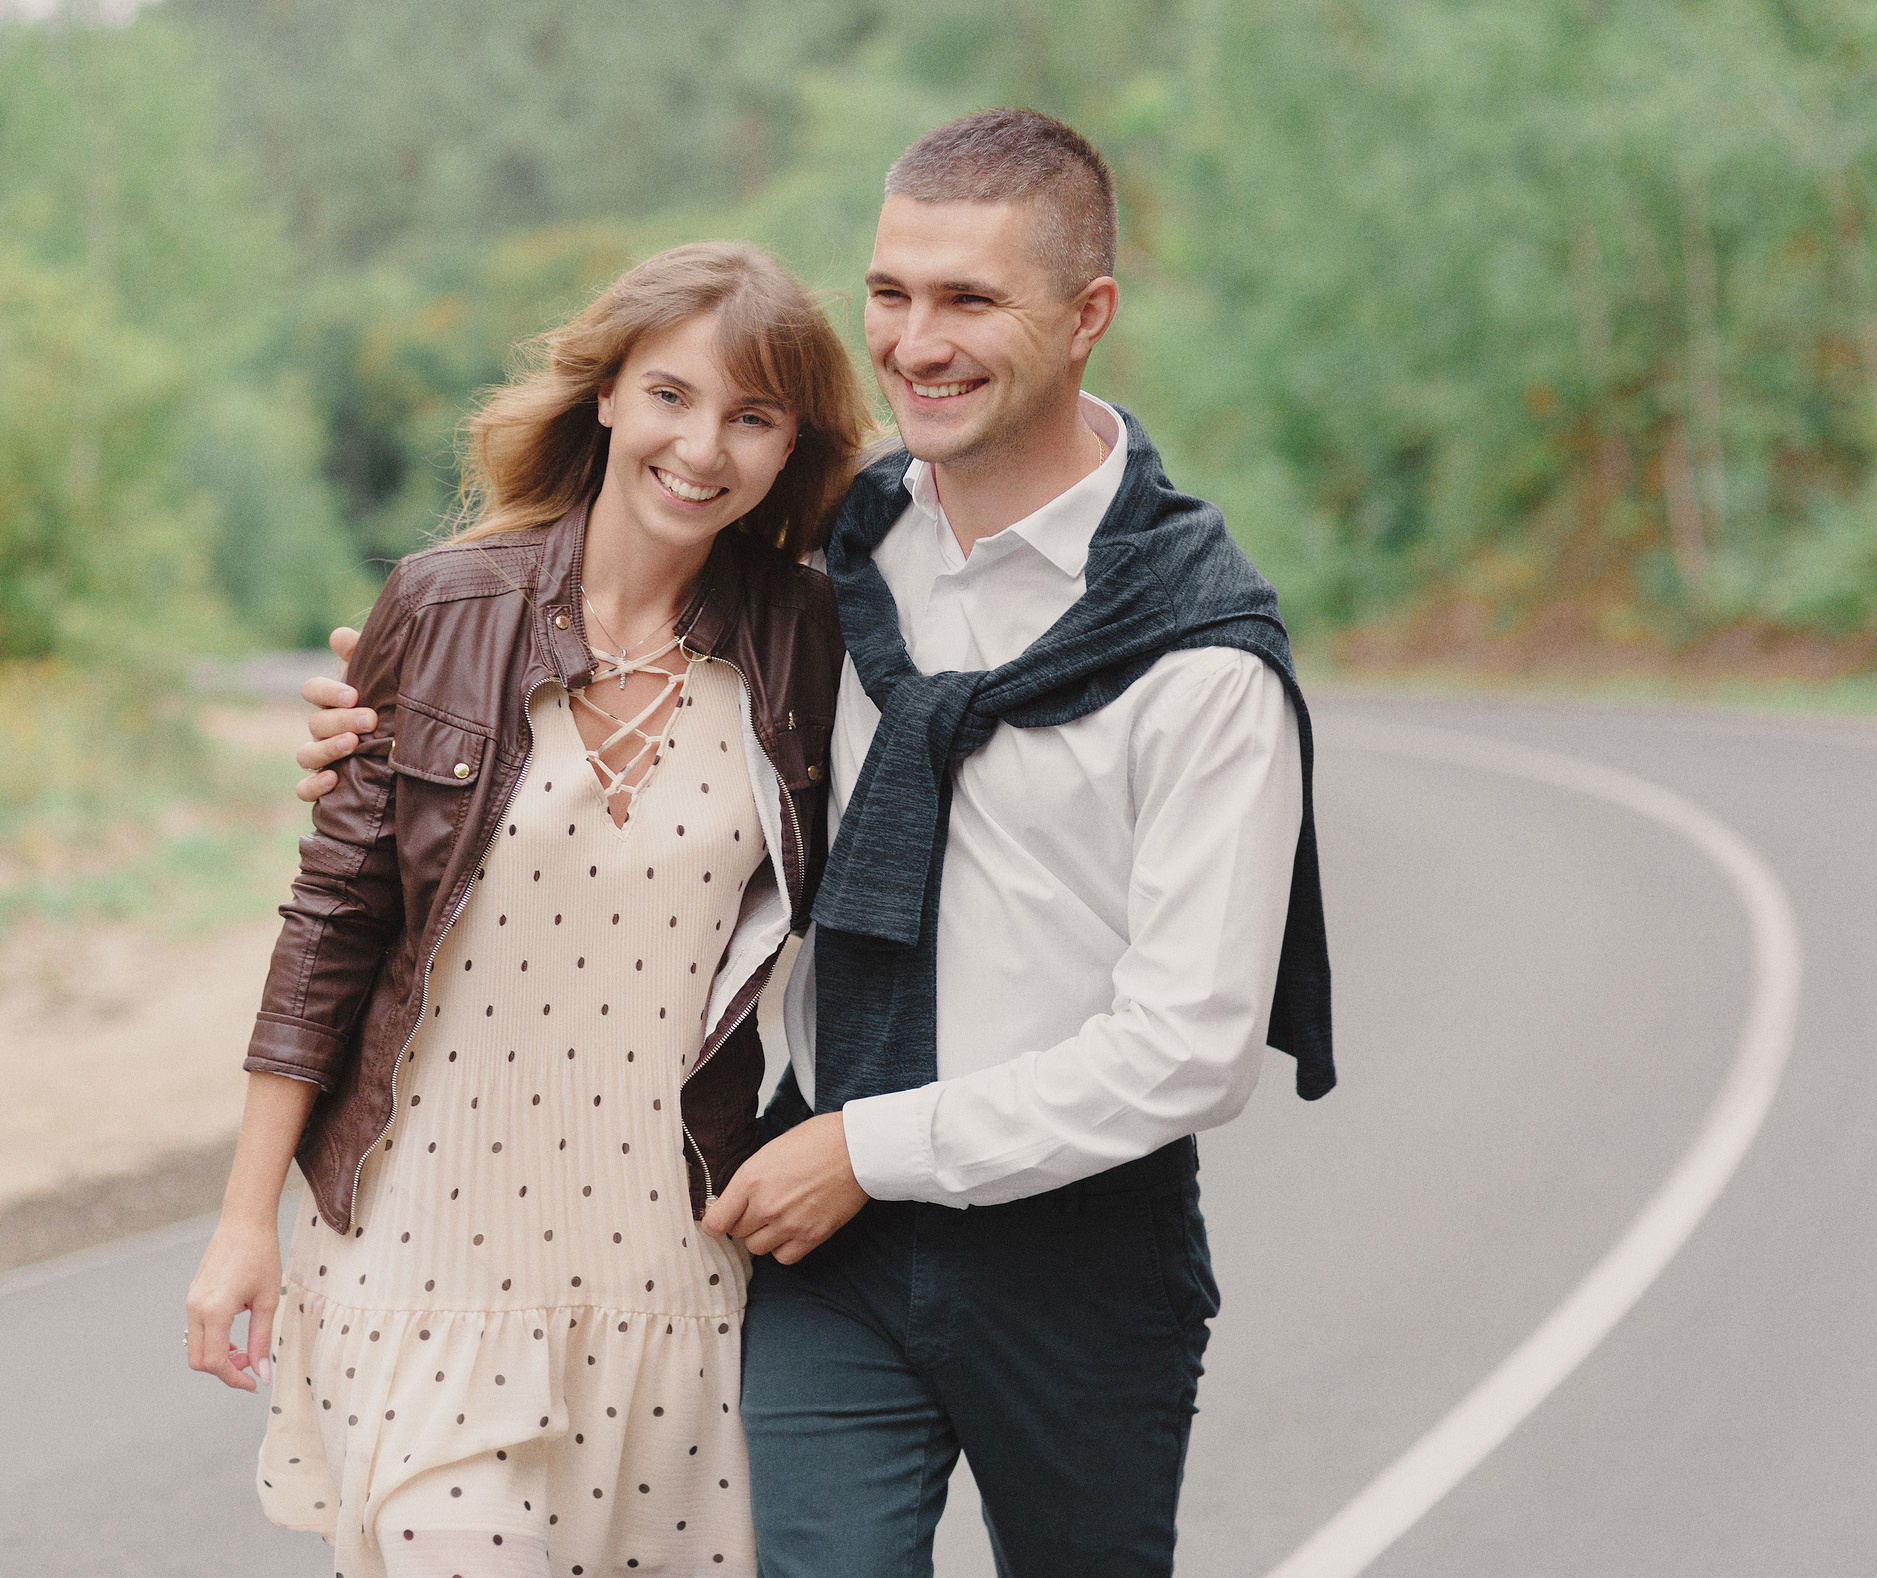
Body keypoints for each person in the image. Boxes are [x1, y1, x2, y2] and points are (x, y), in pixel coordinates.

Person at [297, 111, 1334, 1577]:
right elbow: (587, 625)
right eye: (891, 293)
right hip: (820, 1256)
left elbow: (1191, 1045)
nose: (916, 341)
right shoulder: (825, 563)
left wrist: (867, 1145)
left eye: (970, 298)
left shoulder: (1198, 657)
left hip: (1075, 1258)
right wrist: (386, 718)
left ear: (1087, 315)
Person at [184, 240, 870, 1578]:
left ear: (791, 446)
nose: (702, 445)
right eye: (671, 394)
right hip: (418, 1251)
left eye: (751, 416)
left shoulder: (815, 640)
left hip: (668, 1268)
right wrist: (239, 1218)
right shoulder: (441, 609)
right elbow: (331, 924)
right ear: (606, 393)